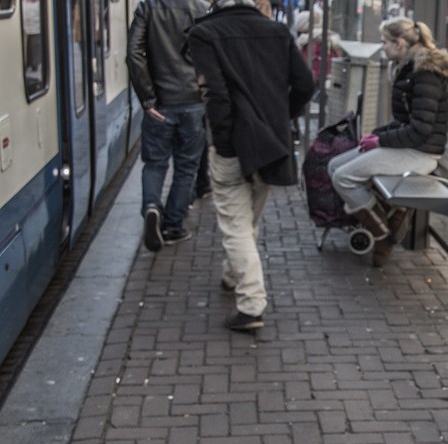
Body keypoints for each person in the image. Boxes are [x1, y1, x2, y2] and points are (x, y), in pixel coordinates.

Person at [188, 0, 315, 332]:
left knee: (235, 224)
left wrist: (224, 141)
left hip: (230, 145)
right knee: (249, 218)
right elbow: (306, 85)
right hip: (271, 144)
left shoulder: (204, 33)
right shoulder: (277, 32)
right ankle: (233, 275)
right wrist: (280, 116)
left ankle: (251, 304)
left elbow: (215, 94)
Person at [327, 17, 448, 267]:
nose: (382, 47)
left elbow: (420, 130)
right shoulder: (409, 67)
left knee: (343, 177)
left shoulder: (425, 73)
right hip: (409, 145)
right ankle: (391, 219)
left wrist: (380, 140)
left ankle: (384, 234)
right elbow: (404, 121)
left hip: (421, 152)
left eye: (385, 42)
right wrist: (375, 135)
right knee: (334, 166)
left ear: (401, 43)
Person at [127, 0, 210, 251]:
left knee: (155, 163)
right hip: (193, 101)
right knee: (186, 167)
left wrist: (147, 98)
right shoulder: (200, 8)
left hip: (160, 104)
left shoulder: (148, 7)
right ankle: (173, 225)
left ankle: (152, 206)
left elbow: (134, 53)